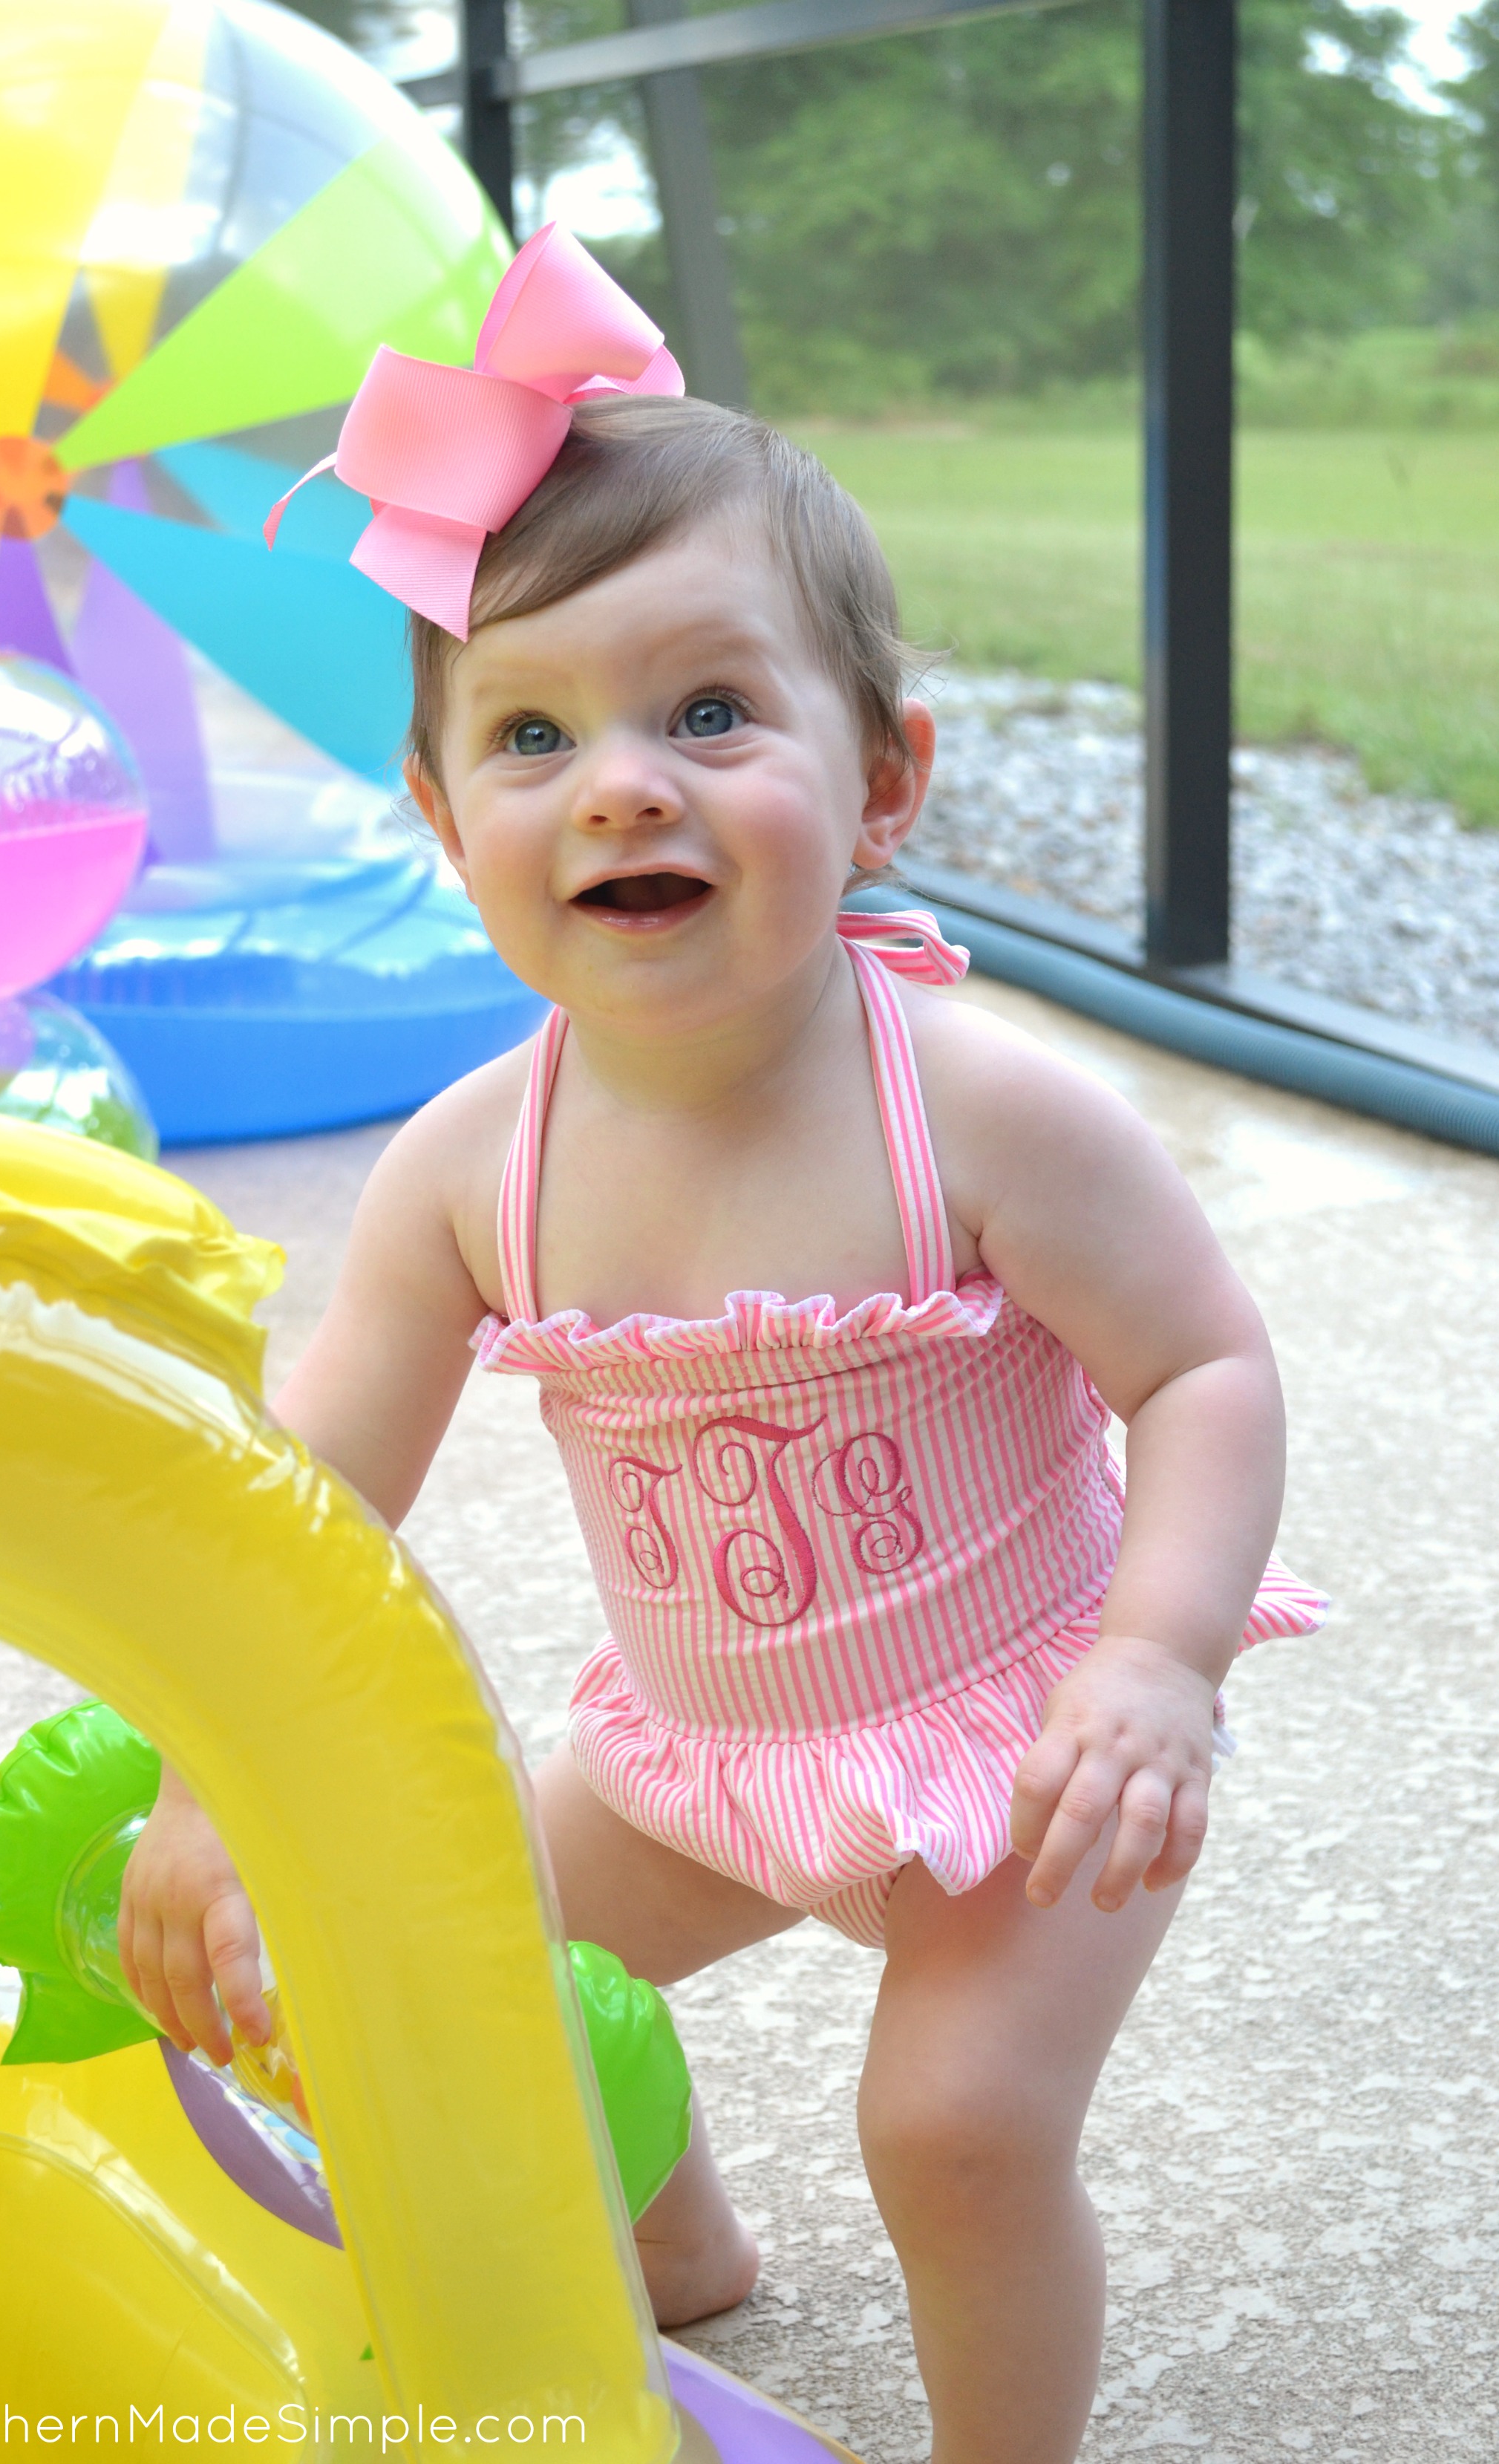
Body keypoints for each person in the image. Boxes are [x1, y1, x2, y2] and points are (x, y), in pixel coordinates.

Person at [120, 228, 1324, 2464]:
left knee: (954, 2125)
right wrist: (215, 1780)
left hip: (1012, 1760)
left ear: (881, 778)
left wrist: (1154, 1659)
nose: (620, 784)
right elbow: (299, 1502)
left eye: (708, 712)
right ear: (439, 820)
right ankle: (673, 2242)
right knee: (437, 1970)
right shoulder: (470, 1167)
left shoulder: (974, 1109)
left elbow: (1200, 1370)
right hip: (705, 1759)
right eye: (533, 732)